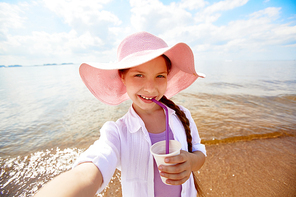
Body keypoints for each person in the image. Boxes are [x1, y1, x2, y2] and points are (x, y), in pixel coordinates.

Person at [34, 32, 206, 197]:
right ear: (122, 77)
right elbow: (90, 170)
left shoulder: (181, 115)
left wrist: (190, 162)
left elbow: (199, 152)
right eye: (139, 75)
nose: (150, 88)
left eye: (159, 76)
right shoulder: (117, 132)